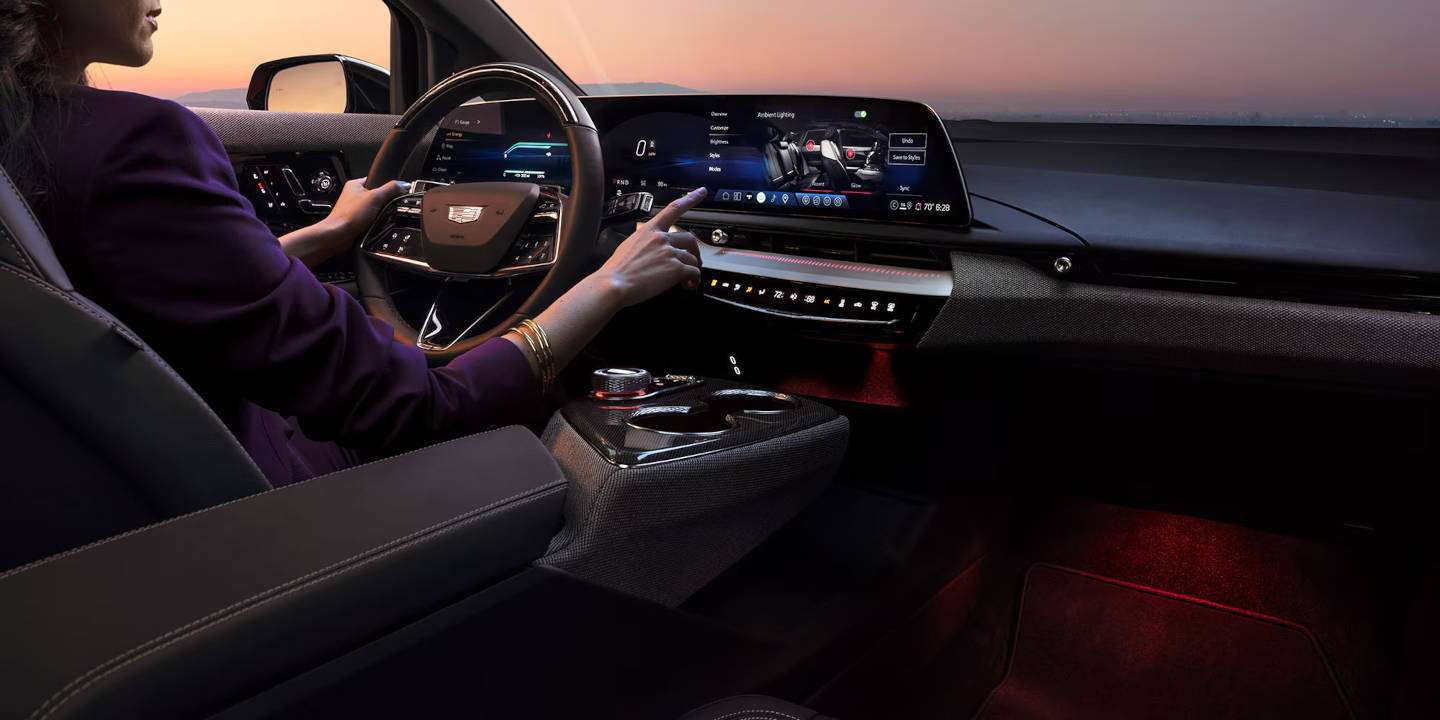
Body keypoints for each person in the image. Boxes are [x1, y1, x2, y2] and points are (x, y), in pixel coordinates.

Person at [0, 0, 707, 485]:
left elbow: (155, 289)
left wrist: (327, 235)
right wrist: (608, 283)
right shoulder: (136, 142)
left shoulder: (32, 145)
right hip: (267, 506)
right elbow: (425, 409)